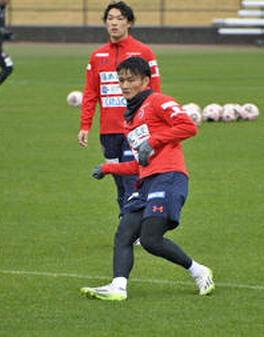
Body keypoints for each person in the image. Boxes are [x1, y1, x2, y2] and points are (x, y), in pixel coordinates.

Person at [80, 57, 215, 301]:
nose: (125, 85)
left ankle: (199, 271)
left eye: (130, 80)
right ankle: (118, 287)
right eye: (121, 80)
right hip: (147, 182)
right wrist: (108, 169)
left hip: (169, 177)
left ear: (145, 80)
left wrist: (153, 141)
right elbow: (139, 163)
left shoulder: (158, 101)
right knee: (124, 232)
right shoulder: (128, 119)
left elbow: (188, 126)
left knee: (151, 239)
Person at [78, 1, 161, 220]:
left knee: (132, 179)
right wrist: (85, 125)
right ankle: (129, 221)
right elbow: (90, 93)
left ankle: (133, 227)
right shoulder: (97, 56)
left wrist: (154, 127)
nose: (114, 23)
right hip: (109, 131)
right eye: (110, 18)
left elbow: (156, 92)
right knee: (119, 183)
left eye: (120, 18)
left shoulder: (144, 52)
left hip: (135, 129)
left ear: (129, 23)